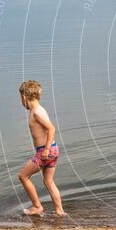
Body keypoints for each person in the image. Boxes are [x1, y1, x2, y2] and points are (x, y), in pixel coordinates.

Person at [17, 80, 66, 217]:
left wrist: (45, 150)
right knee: (48, 181)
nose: (21, 102)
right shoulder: (38, 109)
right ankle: (59, 211)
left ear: (24, 97)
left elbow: (51, 128)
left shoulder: (37, 112)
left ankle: (37, 206)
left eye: (20, 98)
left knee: (23, 176)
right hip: (53, 150)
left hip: (46, 151)